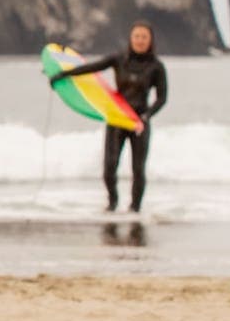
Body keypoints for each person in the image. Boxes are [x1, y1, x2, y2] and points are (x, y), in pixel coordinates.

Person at [53, 22, 169, 213]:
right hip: (116, 119)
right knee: (109, 167)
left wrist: (147, 115)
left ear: (150, 41)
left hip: (139, 122)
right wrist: (63, 74)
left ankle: (135, 209)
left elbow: (162, 98)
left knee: (138, 170)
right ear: (131, 39)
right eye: (137, 36)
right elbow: (91, 68)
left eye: (144, 37)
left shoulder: (156, 67)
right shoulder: (119, 59)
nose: (140, 40)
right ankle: (112, 203)